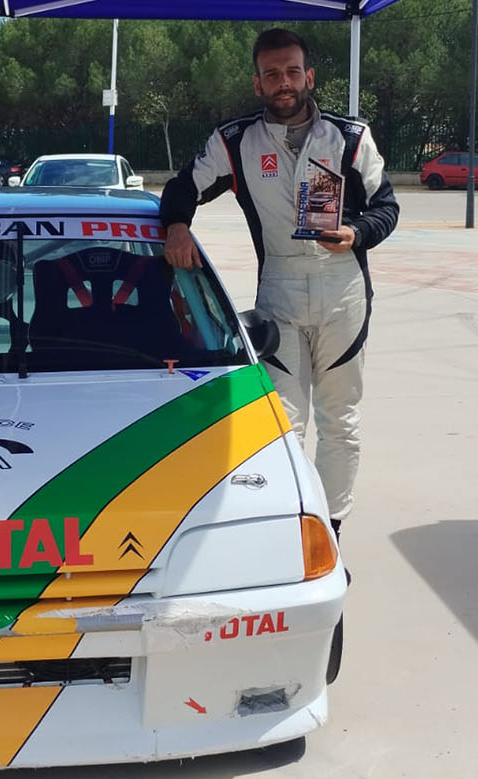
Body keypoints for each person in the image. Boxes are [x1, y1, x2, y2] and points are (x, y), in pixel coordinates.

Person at [159, 28, 400, 533]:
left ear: (309, 76)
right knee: (282, 423)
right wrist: (176, 225)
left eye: (292, 72)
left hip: (343, 287)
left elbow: (387, 208)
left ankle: (330, 532)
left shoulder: (350, 138)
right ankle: (291, 527)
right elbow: (184, 187)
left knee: (340, 421)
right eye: (272, 75)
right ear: (258, 84)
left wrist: (355, 233)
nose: (283, 83)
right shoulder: (234, 141)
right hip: (279, 289)